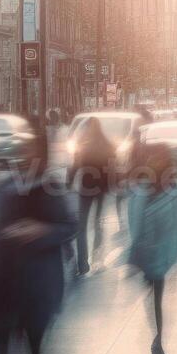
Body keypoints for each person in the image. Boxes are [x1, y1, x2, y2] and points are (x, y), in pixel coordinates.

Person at [0, 136, 77, 354]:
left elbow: (69, 227)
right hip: (6, 280)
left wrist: (40, 231)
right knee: (5, 350)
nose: (24, 157)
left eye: (30, 152)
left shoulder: (51, 187)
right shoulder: (6, 187)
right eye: (20, 152)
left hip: (40, 280)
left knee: (35, 344)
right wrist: (6, 233)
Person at [127, 142, 177, 354]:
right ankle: (157, 341)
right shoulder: (145, 191)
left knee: (154, 296)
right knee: (154, 296)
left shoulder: (171, 193)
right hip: (150, 254)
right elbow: (134, 224)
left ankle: (158, 343)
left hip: (158, 255)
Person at [68, 118, 116, 277]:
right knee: (98, 224)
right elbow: (113, 169)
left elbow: (74, 167)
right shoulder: (109, 146)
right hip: (101, 190)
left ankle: (82, 264)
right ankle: (97, 260)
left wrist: (68, 183)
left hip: (86, 189)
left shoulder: (84, 146)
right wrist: (111, 186)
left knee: (81, 227)